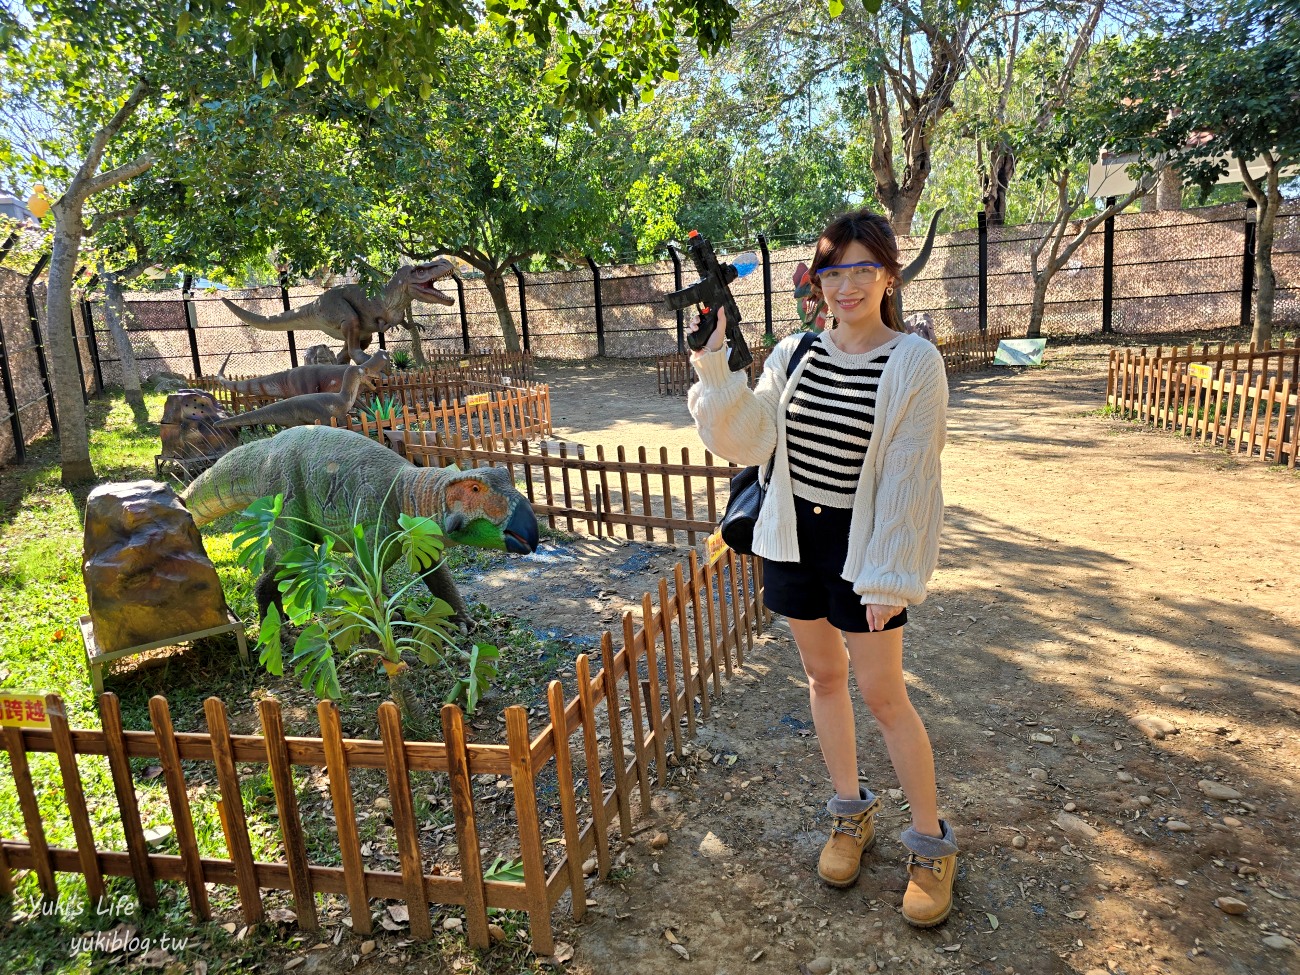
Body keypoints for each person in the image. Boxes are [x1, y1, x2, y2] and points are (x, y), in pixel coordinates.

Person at [686, 209, 957, 928]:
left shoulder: (913, 361)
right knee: (822, 676)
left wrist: (888, 578)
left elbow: (910, 474)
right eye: (833, 271)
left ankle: (931, 846)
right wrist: (716, 362)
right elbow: (747, 439)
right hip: (792, 536)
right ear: (818, 280)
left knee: (883, 692)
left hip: (865, 545)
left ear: (888, 275)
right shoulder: (794, 353)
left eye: (863, 269)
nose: (846, 285)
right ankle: (850, 812)